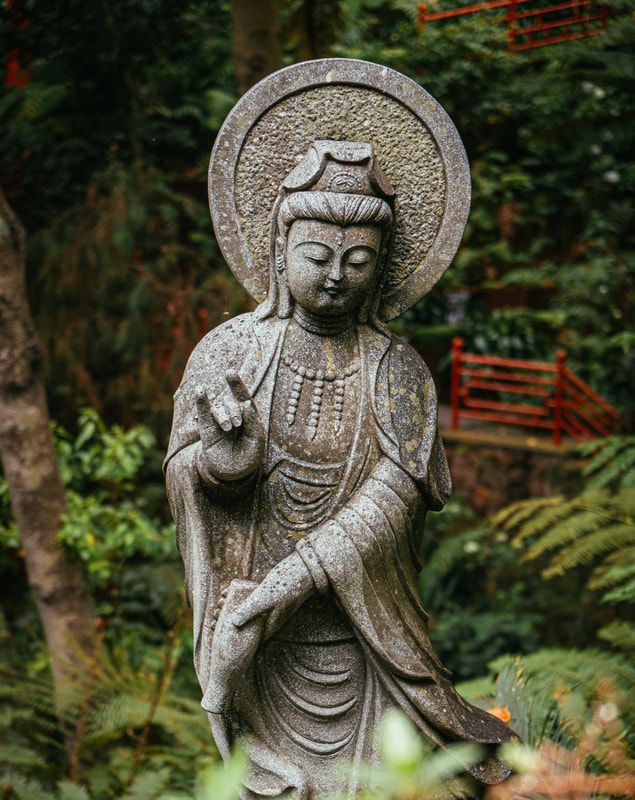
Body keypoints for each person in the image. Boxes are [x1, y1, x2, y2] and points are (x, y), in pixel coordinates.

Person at [165, 141, 516, 799]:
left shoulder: (397, 369)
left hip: (366, 641)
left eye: (357, 262)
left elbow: (397, 495)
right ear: (277, 252)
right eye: (316, 257)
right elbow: (187, 474)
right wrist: (222, 465)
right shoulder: (231, 351)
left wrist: (297, 579)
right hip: (259, 641)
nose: (335, 277)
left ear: (381, 268)